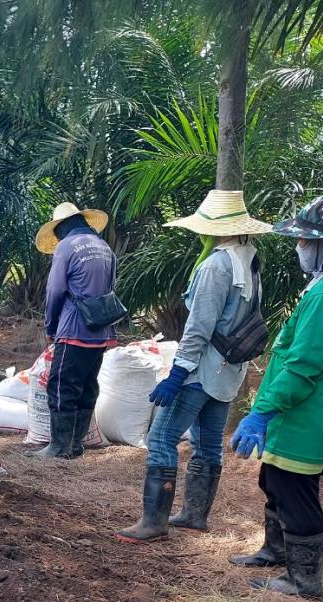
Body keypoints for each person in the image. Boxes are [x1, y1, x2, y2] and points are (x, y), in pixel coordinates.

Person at [117, 191, 271, 543]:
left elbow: (198, 329)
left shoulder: (215, 266)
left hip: (203, 370)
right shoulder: (248, 260)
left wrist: (176, 374)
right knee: (207, 443)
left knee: (161, 438)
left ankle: (153, 522)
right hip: (231, 370)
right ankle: (194, 515)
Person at [228, 189, 323, 598]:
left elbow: (303, 364)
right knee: (273, 479)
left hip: (305, 410)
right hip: (310, 410)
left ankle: (303, 578)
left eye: (306, 239)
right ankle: (275, 550)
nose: (301, 246)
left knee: (294, 489)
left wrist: (262, 411)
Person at [34, 201, 119, 458]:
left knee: (61, 386)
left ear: (60, 228)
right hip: (102, 331)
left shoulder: (66, 248)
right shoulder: (105, 247)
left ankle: (59, 446)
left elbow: (55, 291)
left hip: (74, 330)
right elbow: (110, 286)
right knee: (87, 384)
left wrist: (50, 326)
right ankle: (76, 444)